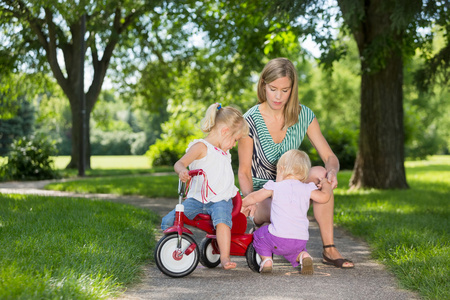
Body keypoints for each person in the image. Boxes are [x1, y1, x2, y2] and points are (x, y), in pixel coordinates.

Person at [238, 57, 354, 269]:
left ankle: (329, 248)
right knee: (276, 205)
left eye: (285, 90)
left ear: (293, 89)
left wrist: (333, 172)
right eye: (273, 89)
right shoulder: (249, 121)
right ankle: (263, 229)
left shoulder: (303, 115)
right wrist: (250, 200)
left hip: (292, 189)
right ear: (263, 84)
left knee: (320, 173)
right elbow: (244, 172)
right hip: (264, 195)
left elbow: (330, 157)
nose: (278, 96)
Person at [161, 102, 249, 270]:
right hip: (196, 199)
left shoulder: (224, 152)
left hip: (220, 200)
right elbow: (180, 163)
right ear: (224, 132)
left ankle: (224, 257)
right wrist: (182, 171)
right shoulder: (201, 147)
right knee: (169, 220)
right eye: (235, 140)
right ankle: (172, 246)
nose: (234, 145)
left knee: (222, 221)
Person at [242, 149, 332, 274]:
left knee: (258, 235)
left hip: (277, 238)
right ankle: (304, 256)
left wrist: (241, 204)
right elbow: (324, 197)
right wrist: (325, 184)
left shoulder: (275, 187)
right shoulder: (307, 188)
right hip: (300, 239)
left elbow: (253, 197)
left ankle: (266, 260)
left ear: (282, 169)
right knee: (294, 252)